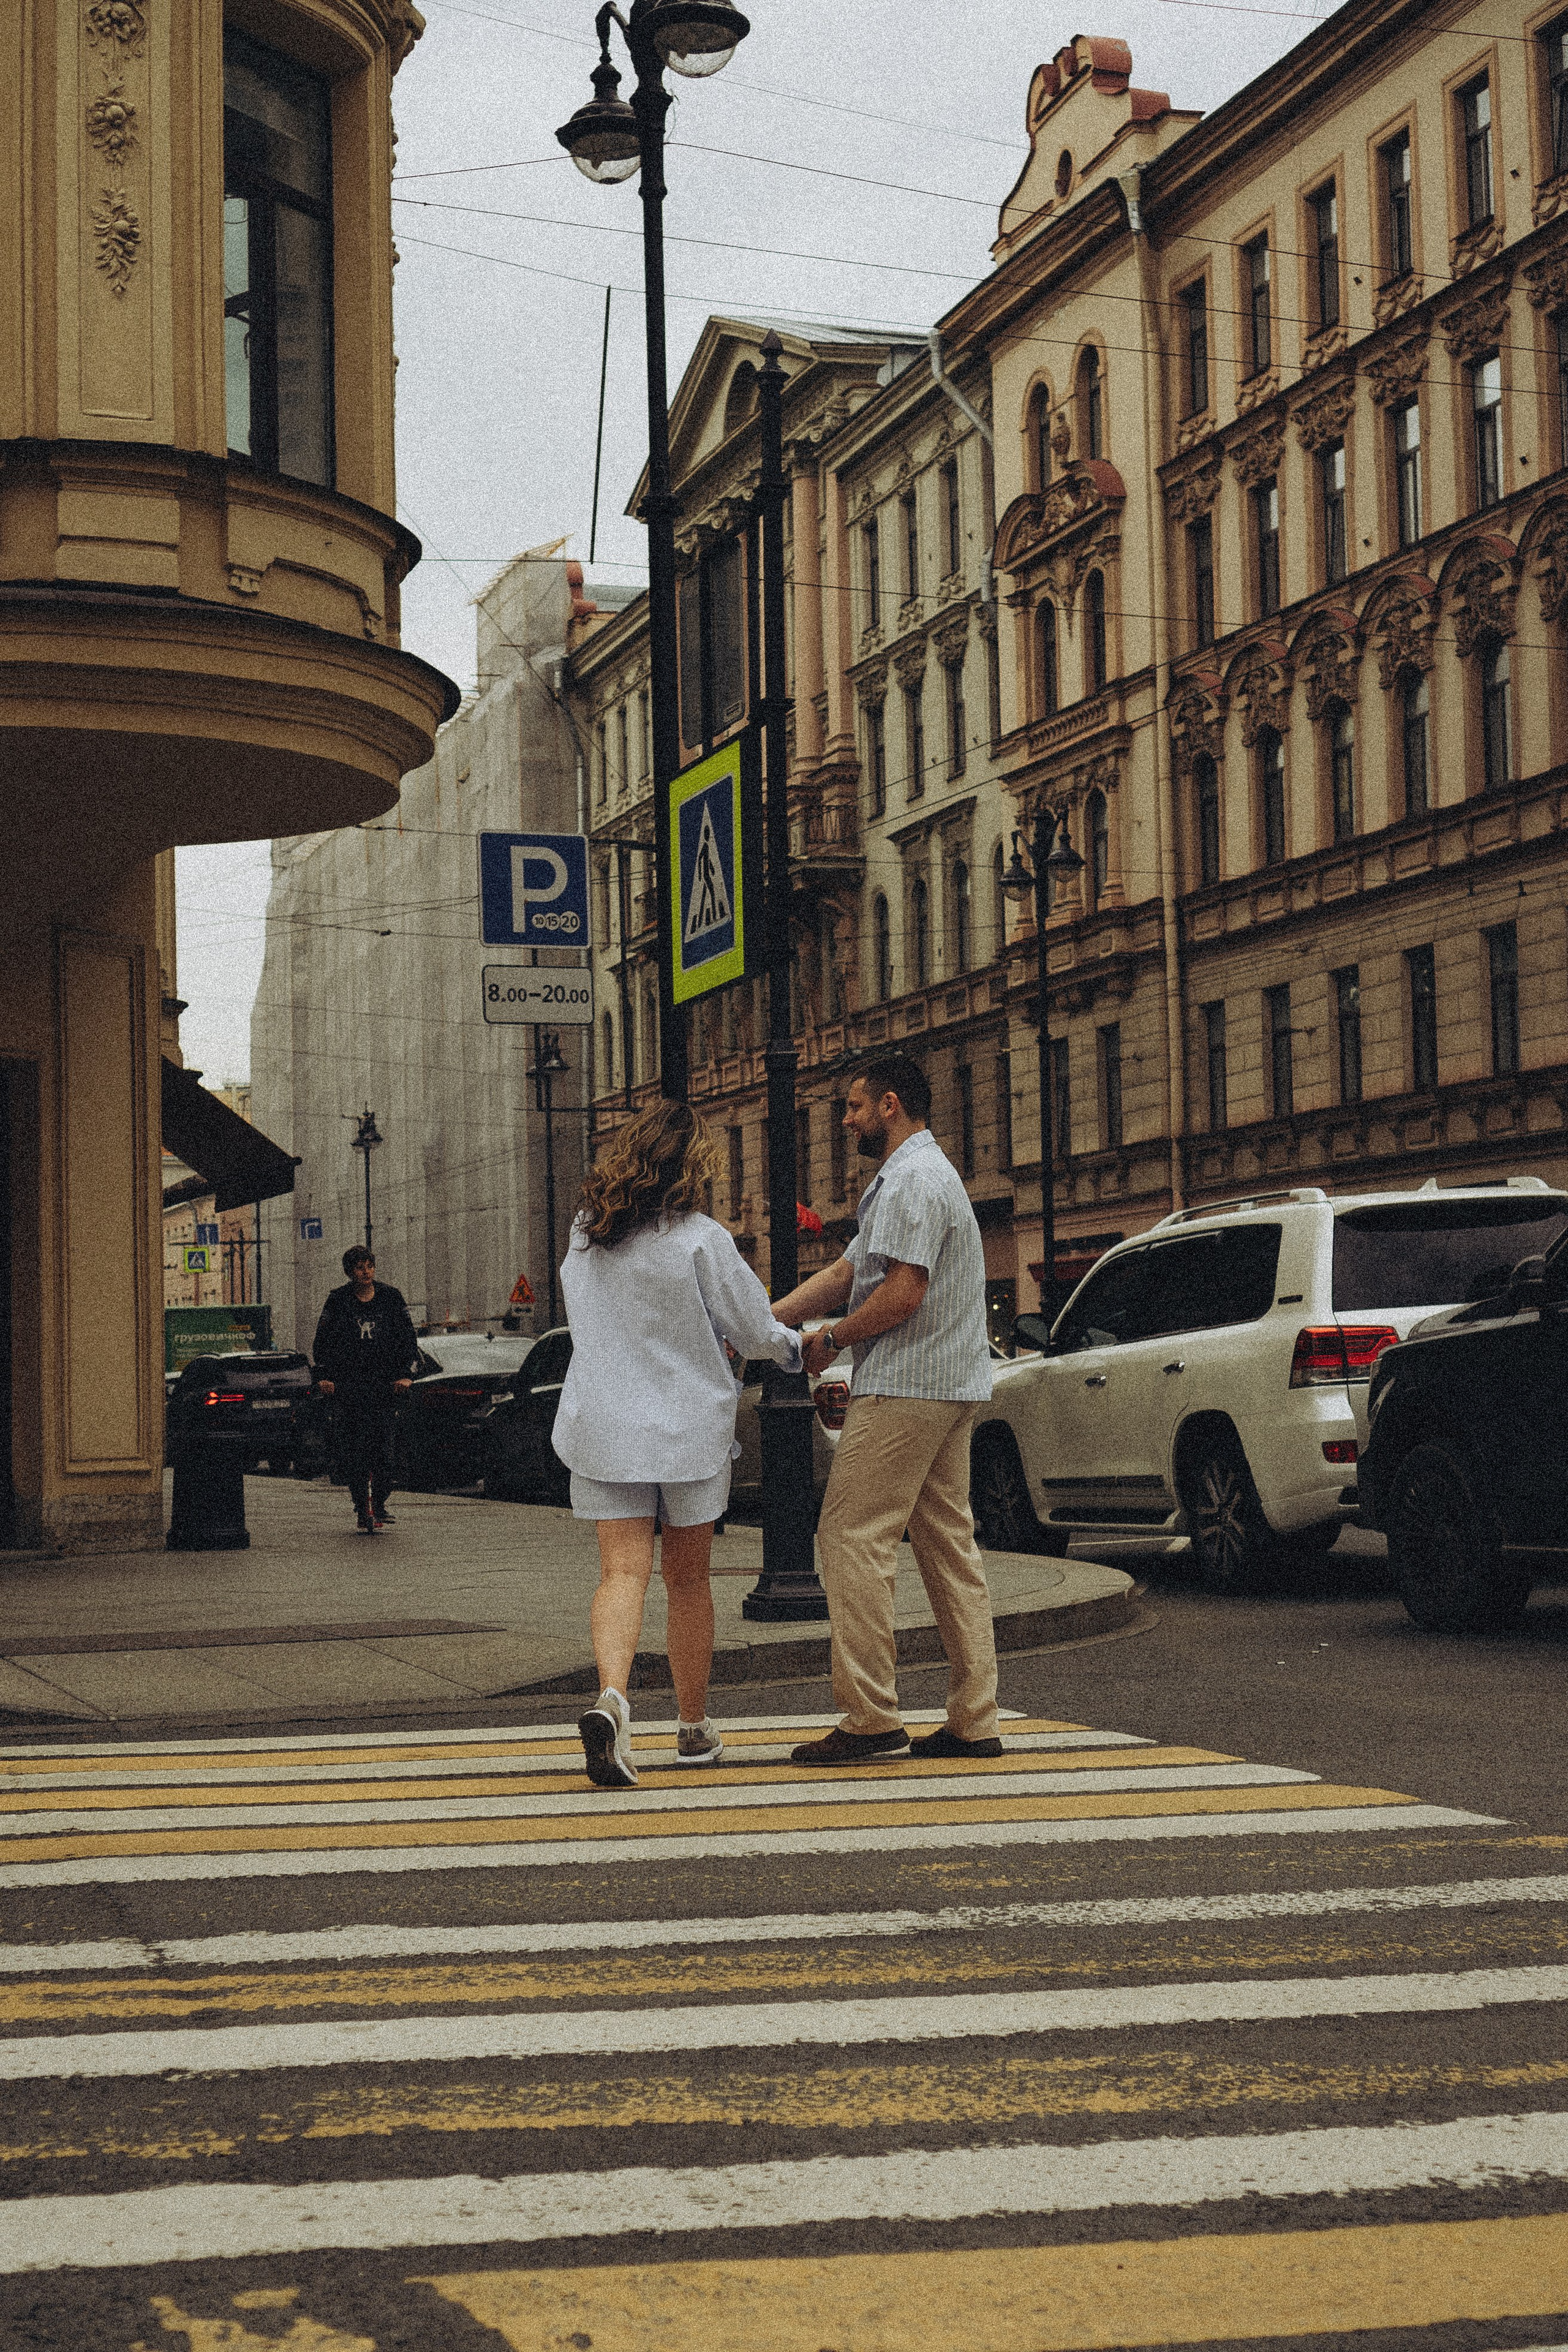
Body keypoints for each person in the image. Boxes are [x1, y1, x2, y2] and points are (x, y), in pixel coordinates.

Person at [552, 1098, 802, 1789]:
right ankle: (693, 1728)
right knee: (688, 1580)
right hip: (686, 1428)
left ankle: (612, 1699)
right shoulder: (701, 1238)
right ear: (695, 1167)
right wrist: (799, 1348)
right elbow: (753, 1329)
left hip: (604, 1424)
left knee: (620, 1574)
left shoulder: (585, 1235)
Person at [772, 1052, 1001, 1765]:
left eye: (854, 1106)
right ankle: (974, 1720)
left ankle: (870, 1716)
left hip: (907, 1382)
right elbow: (849, 1271)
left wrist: (831, 1340)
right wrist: (765, 1320)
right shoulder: (918, 1177)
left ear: (890, 1104)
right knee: (948, 1546)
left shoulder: (910, 1180)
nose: (846, 1120)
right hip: (949, 1383)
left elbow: (902, 1293)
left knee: (850, 1535)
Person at [312, 1246, 420, 1534]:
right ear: (350, 1272)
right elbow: (322, 1341)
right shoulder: (338, 1300)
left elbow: (408, 1339)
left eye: (369, 1266)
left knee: (385, 1451)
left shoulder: (391, 1298)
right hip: (350, 1388)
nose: (366, 1272)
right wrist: (325, 1377)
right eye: (360, 1267)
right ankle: (362, 1506)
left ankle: (380, 1502)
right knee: (356, 1451)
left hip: (384, 1387)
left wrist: (405, 1375)